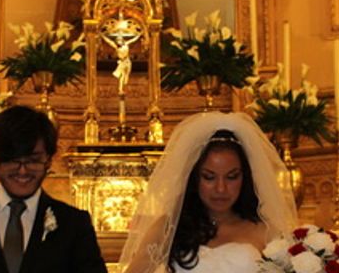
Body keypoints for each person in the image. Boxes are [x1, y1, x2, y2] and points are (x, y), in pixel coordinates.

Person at [118, 111, 298, 273]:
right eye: (209, 177)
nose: (221, 188)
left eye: (232, 177)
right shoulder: (168, 226)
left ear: (245, 178)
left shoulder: (265, 230)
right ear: (194, 178)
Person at [0, 105, 107, 273]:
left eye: (33, 160)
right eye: (12, 160)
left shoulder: (74, 223)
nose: (23, 170)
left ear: (48, 160)